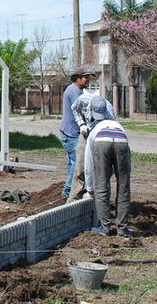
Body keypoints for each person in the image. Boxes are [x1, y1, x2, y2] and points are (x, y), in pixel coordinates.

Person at [87, 95, 133, 237]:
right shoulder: (118, 126)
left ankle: (105, 227)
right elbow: (127, 156)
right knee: (123, 186)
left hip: (101, 141)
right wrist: (123, 172)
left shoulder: (94, 130)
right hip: (122, 141)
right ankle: (122, 229)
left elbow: (89, 165)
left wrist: (89, 188)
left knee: (101, 185)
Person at [66, 91, 115, 202]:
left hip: (101, 138)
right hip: (86, 134)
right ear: (90, 108)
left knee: (102, 168)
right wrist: (81, 124)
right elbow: (74, 109)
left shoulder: (109, 113)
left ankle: (102, 200)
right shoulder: (82, 100)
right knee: (80, 167)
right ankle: (73, 199)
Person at [59, 69, 94, 197]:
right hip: (71, 134)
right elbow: (81, 110)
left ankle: (68, 190)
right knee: (77, 164)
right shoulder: (74, 91)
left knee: (72, 163)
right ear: (78, 78)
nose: (88, 80)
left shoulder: (76, 90)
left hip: (69, 132)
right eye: (86, 77)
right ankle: (69, 191)